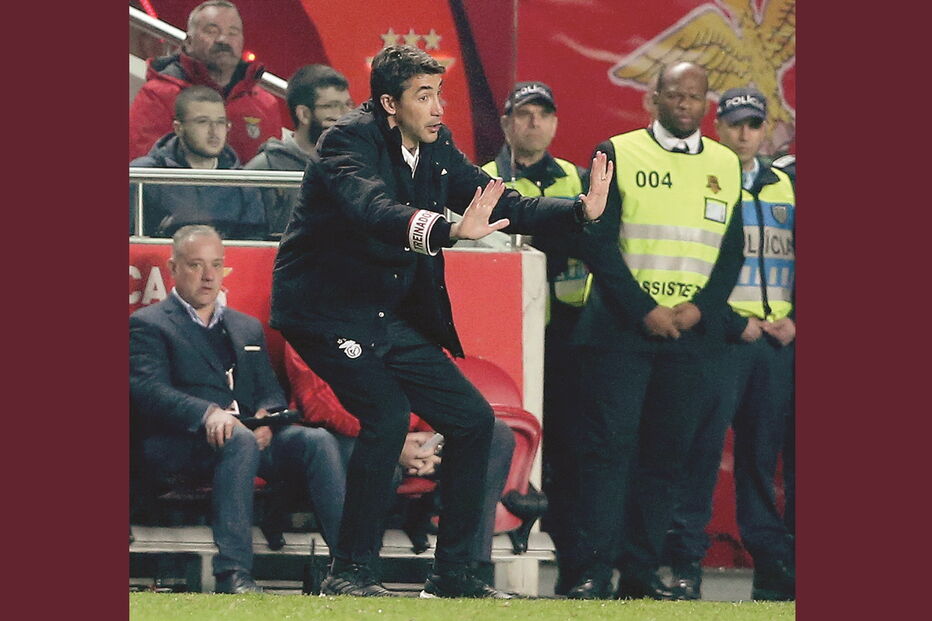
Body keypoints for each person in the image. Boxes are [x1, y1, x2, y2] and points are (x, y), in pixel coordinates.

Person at [269, 44, 612, 598]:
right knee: (386, 416)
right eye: (424, 96)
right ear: (388, 103)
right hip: (325, 310)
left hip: (385, 313)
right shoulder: (345, 143)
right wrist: (449, 230)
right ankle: (349, 573)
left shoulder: (438, 147)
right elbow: (374, 211)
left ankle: (454, 574)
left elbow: (501, 201)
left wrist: (577, 210)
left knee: (475, 422)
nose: (438, 109)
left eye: (440, 95)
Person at [566, 61, 745, 600]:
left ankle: (640, 572)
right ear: (653, 98)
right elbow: (597, 242)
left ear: (705, 101)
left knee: (666, 458)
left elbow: (732, 251)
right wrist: (643, 309)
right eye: (675, 94)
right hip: (620, 333)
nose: (685, 104)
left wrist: (701, 311)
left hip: (689, 339)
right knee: (606, 454)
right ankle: (591, 570)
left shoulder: (726, 163)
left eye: (695, 96)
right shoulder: (617, 152)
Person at [130, 225, 348, 594]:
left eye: (216, 265)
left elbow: (269, 391)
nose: (209, 275)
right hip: (181, 442)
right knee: (239, 442)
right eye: (196, 265)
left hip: (245, 436)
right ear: (173, 268)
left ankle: (348, 569)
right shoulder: (148, 325)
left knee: (317, 441)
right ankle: (234, 575)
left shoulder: (244, 327)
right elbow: (147, 391)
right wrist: (207, 413)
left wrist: (267, 417)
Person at [665, 87, 796, 601]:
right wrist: (724, 320)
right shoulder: (704, 180)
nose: (744, 133)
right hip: (720, 341)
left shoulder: (787, 185)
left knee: (762, 460)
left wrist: (798, 321)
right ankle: (684, 565)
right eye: (736, 123)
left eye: (754, 124)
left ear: (765, 130)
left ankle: (770, 567)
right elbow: (685, 261)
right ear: (717, 126)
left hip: (775, 345)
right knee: (697, 453)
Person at [283, 343, 515, 585]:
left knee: (494, 435)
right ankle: (360, 571)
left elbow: (438, 386)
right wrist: (392, 441)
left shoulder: (408, 321)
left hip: (415, 439)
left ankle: (467, 568)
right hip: (347, 435)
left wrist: (433, 437)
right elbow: (320, 404)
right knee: (379, 460)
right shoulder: (312, 318)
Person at [480, 81, 587, 594]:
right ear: (505, 123)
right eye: (524, 115)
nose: (534, 124)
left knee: (566, 454)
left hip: (564, 339)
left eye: (544, 114)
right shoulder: (482, 177)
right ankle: (485, 550)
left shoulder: (575, 178)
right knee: (499, 441)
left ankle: (570, 569)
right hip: (497, 336)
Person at [129, 0, 282, 163]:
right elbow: (144, 174)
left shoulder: (265, 104)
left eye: (233, 32)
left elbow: (274, 176)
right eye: (212, 31)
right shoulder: (157, 96)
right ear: (188, 42)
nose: (223, 39)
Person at [130, 85, 267, 239]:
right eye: (202, 122)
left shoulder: (244, 185)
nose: (214, 132)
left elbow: (253, 247)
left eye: (221, 122)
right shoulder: (143, 175)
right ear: (179, 128)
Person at [245, 64, 353, 235]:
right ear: (304, 114)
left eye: (348, 105)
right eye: (332, 106)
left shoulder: (362, 163)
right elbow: (251, 240)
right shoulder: (265, 168)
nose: (345, 115)